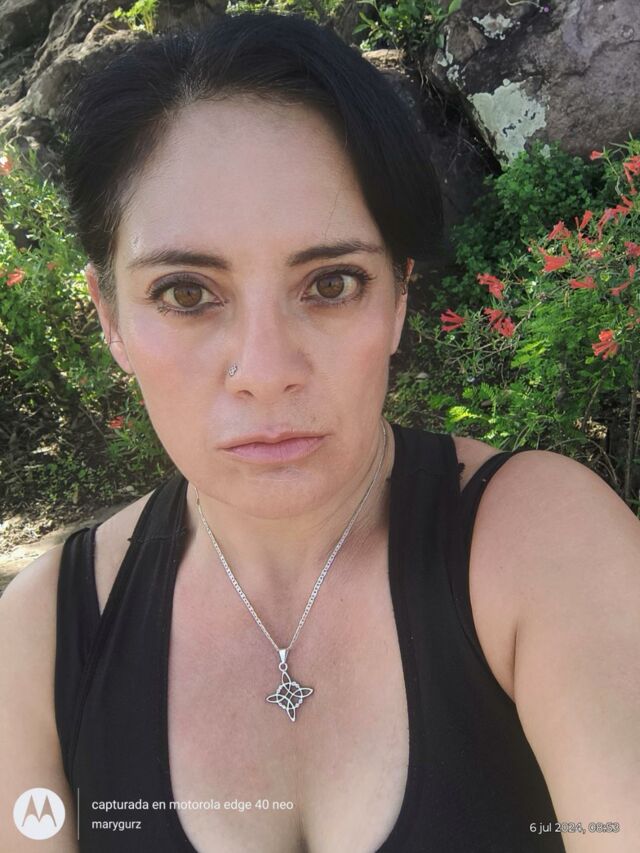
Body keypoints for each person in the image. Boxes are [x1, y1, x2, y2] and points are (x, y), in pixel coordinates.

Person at [1, 10, 639, 853]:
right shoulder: (43, 639)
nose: (266, 370)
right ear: (110, 316)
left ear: (400, 294)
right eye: (186, 293)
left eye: (332, 283)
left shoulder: (546, 546)